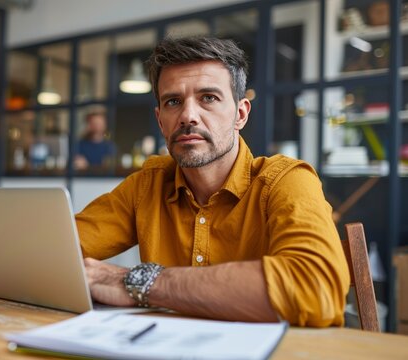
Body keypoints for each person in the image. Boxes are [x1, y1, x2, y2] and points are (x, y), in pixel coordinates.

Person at [76, 36, 350, 327]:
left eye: (208, 98)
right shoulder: (148, 184)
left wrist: (140, 283)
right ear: (160, 120)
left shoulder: (286, 181)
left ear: (240, 114)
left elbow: (316, 287)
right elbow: (52, 251)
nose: (188, 116)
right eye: (173, 101)